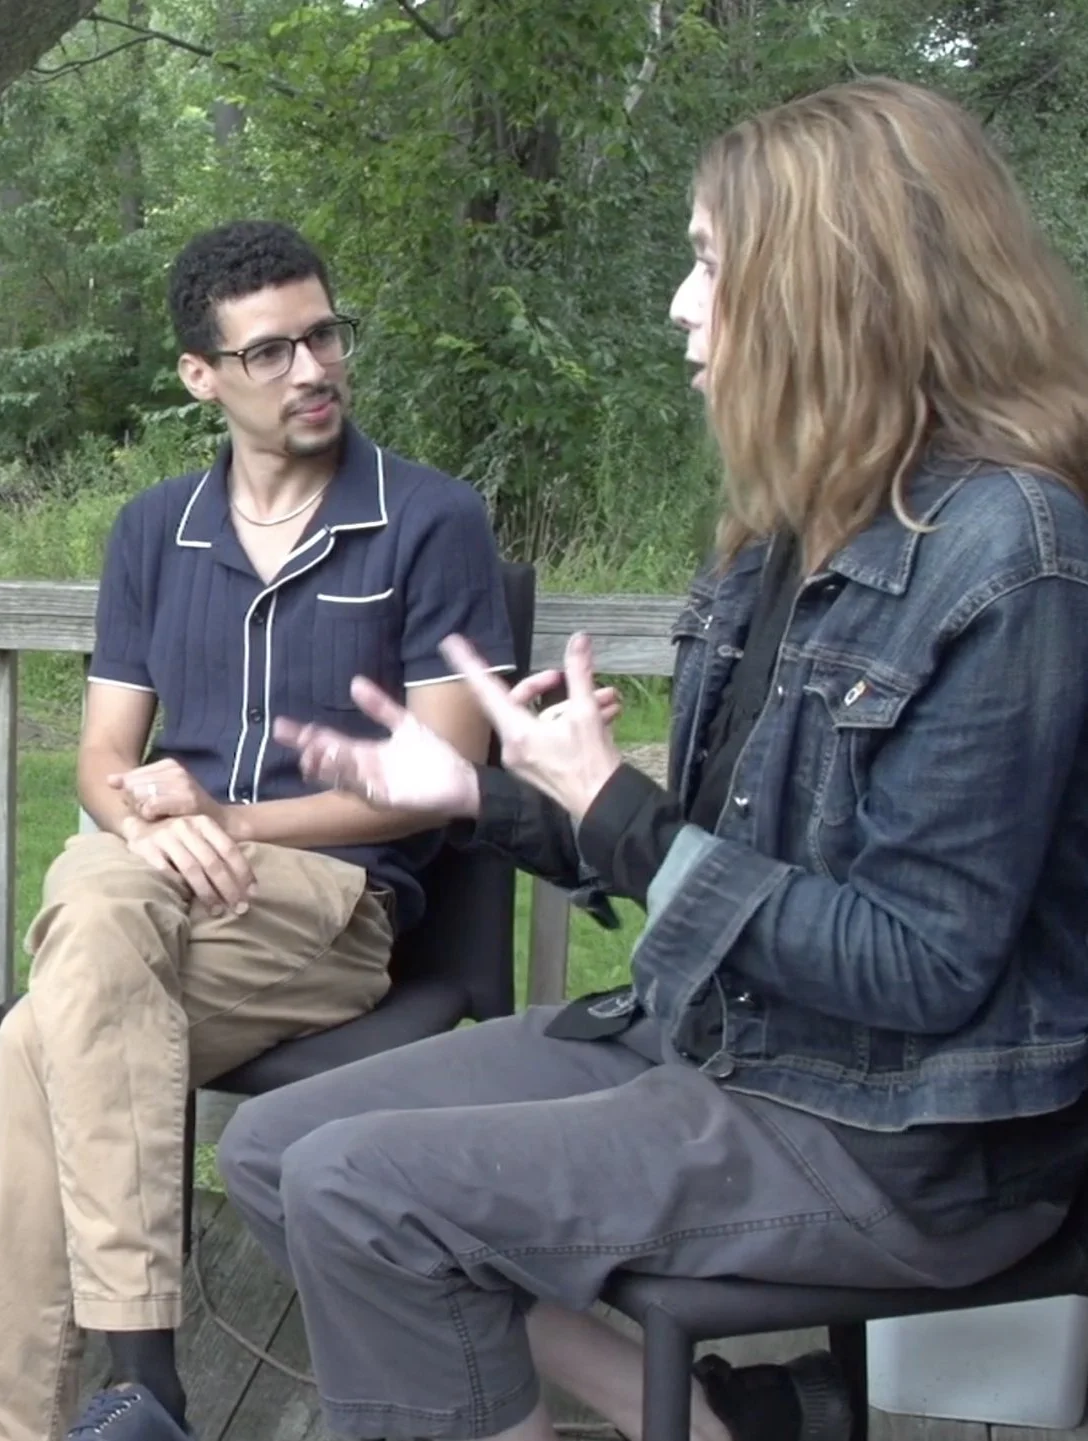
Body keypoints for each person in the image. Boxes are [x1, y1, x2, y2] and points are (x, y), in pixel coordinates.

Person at [226, 76, 1088, 1441]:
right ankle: (700, 1420)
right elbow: (718, 859)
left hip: (897, 1134)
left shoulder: (1011, 555)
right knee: (274, 1148)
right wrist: (483, 796)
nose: (682, 307)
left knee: (364, 1192)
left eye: (708, 263)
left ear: (830, 289)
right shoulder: (787, 537)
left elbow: (919, 964)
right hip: (726, 1044)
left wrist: (617, 808)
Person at [0, 221, 518, 1441]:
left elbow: (444, 774)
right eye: (269, 352)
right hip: (152, 879)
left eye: (323, 336)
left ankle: (111, 1388)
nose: (311, 369)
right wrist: (146, 821)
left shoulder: (429, 519)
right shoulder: (154, 530)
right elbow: (103, 759)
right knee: (88, 938)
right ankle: (125, 1400)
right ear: (200, 375)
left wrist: (223, 818)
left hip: (328, 901)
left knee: (39, 1033)